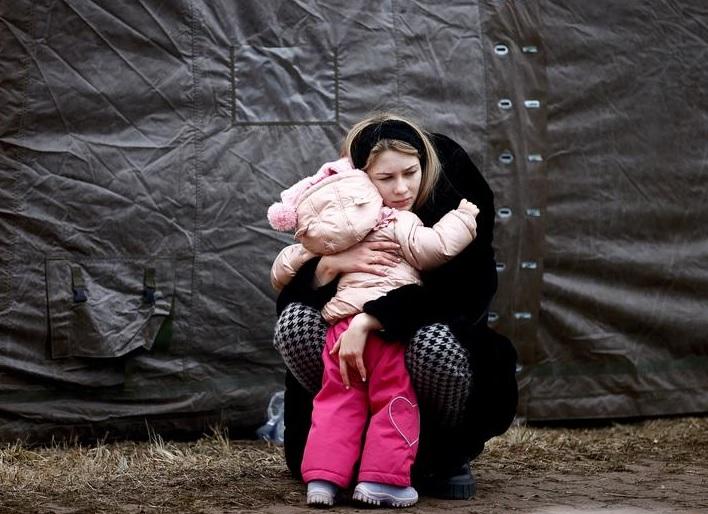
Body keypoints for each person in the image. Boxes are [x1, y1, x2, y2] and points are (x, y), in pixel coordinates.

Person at [272, 112, 519, 501]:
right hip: (347, 345)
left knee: (433, 346)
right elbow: (287, 286)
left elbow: (466, 292)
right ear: (361, 178)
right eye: (385, 178)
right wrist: (329, 266)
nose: (401, 188)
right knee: (295, 323)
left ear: (423, 167)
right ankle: (336, 456)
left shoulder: (447, 197)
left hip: (417, 333)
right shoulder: (348, 211)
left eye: (410, 173)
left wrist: (372, 319)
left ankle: (440, 456)